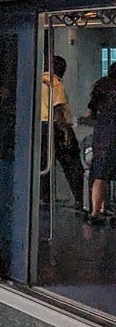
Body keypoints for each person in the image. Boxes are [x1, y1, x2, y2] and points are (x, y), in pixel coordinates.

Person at [41, 55, 85, 211]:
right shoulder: (56, 84)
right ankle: (79, 199)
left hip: (41, 128)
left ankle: (44, 198)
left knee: (43, 162)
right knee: (71, 163)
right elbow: (58, 108)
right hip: (56, 127)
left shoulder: (38, 81)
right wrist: (65, 131)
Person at [84, 62, 116, 224]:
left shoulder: (101, 86)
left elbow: (89, 113)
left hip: (103, 134)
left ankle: (96, 212)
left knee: (100, 174)